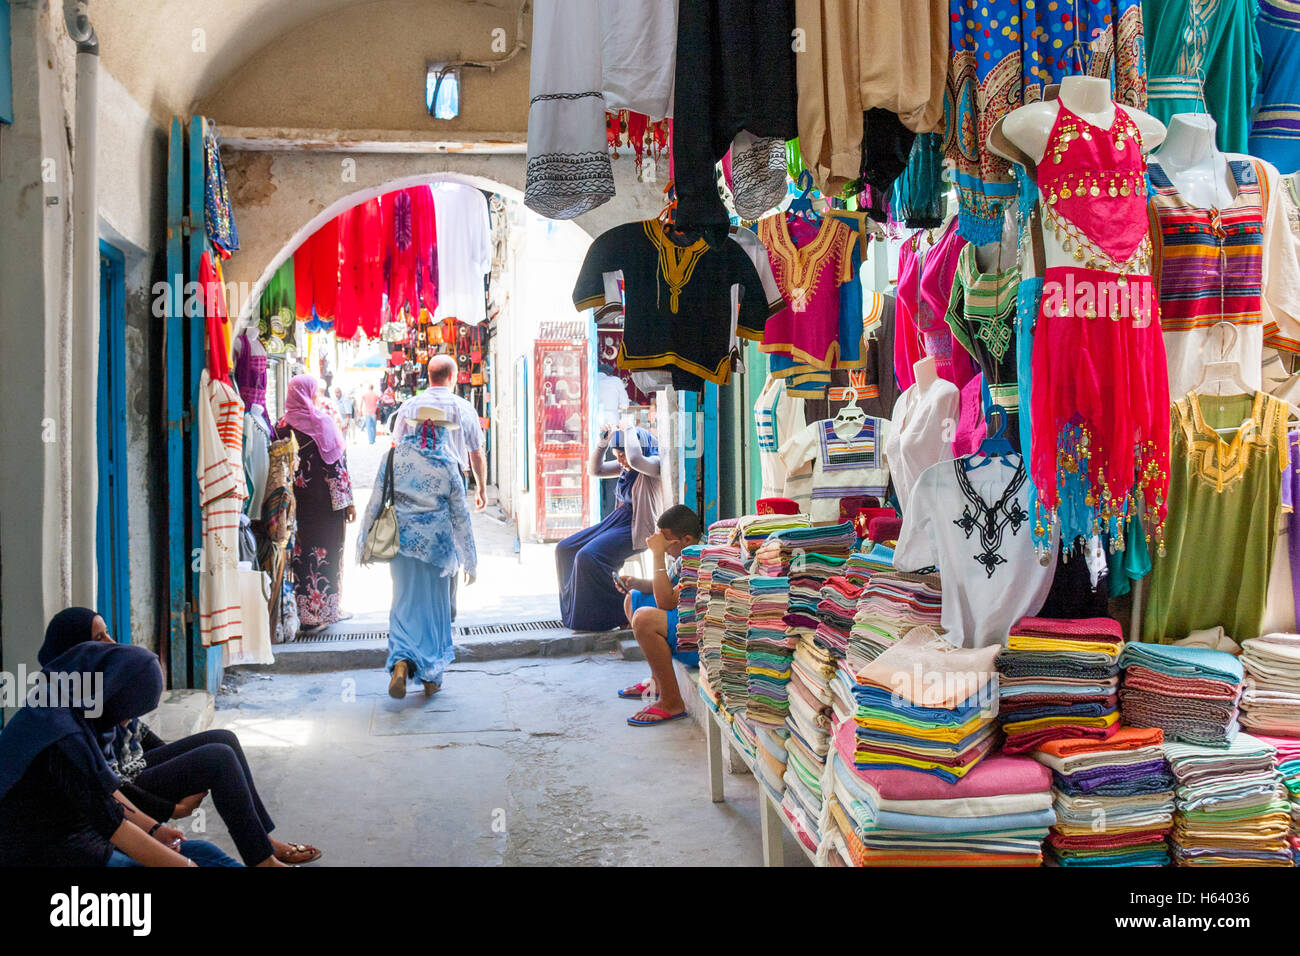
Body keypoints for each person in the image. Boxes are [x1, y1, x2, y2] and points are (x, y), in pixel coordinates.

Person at [36, 607, 322, 865]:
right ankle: (263, 861)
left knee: (224, 738)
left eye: (108, 632)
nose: (111, 643)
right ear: (74, 648)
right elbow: (107, 789)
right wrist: (172, 808)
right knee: (218, 759)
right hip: (125, 787)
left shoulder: (96, 680)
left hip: (135, 767)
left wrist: (181, 762)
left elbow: (140, 731)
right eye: (99, 638)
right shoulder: (70, 707)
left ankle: (262, 841)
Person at [0, 642, 240, 867]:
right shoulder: (63, 736)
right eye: (129, 711)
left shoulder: (71, 713)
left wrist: (154, 829)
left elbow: (106, 791)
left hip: (76, 833)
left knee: (202, 852)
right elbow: (113, 824)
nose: (126, 722)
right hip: (41, 852)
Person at [358, 406, 478, 699]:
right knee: (434, 613)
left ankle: (400, 661)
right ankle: (430, 676)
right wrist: (470, 560)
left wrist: (362, 543)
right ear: (440, 431)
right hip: (437, 550)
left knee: (403, 606)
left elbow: (375, 500)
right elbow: (461, 515)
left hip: (402, 546)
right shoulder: (448, 462)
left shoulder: (393, 456)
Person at [392, 354, 489, 621]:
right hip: (451, 480)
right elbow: (476, 452)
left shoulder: (409, 406)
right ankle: (446, 609)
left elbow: (397, 448)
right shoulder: (463, 407)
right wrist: (481, 488)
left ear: (429, 375)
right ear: (453, 377)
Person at [555, 424, 663, 632]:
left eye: (622, 455)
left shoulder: (652, 462)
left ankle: (620, 613)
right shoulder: (626, 466)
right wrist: (603, 443)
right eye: (617, 456)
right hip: (617, 520)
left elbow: (635, 460)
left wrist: (629, 429)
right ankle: (574, 611)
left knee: (588, 556)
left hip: (637, 526)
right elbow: (594, 470)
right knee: (565, 549)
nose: (621, 461)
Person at [280, 375, 356, 632]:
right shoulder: (321, 422)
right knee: (327, 555)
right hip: (325, 506)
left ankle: (304, 614)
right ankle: (322, 614)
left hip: (294, 507)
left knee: (301, 556)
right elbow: (337, 468)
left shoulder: (282, 425)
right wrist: (347, 503)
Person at [614, 505, 703, 726]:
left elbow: (665, 600)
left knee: (644, 619)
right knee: (633, 598)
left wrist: (656, 556)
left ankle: (672, 701)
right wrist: (635, 583)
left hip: (697, 641)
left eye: (666, 541)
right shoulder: (684, 554)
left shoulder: (699, 558)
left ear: (686, 539)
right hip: (684, 620)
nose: (662, 547)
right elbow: (663, 587)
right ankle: (657, 681)